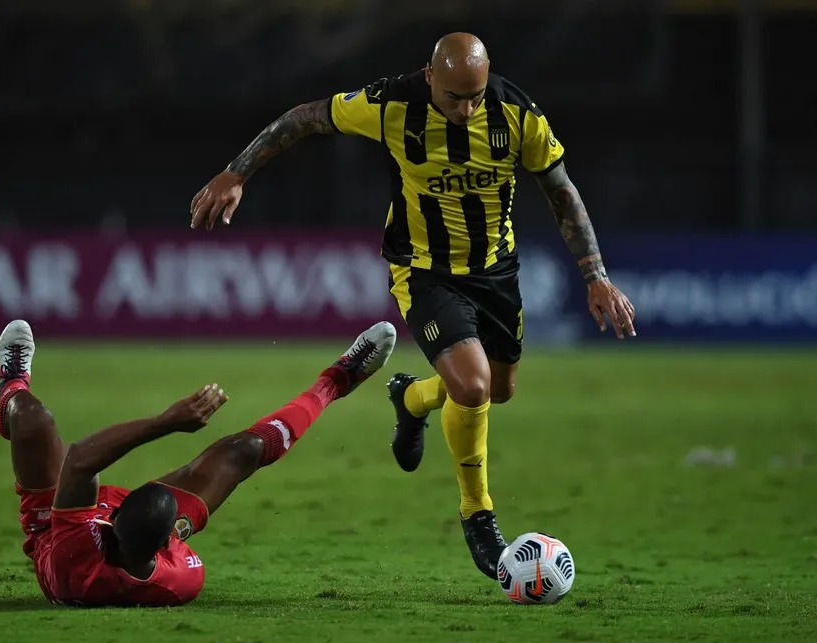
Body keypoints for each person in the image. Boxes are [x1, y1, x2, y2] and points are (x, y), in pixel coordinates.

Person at [189, 33, 636, 581]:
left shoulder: (518, 116)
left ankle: (413, 398)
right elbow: (306, 117)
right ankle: (479, 516)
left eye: (473, 97)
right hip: (423, 269)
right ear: (429, 76)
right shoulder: (392, 105)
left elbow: (561, 190)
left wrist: (596, 275)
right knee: (472, 387)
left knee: (498, 389)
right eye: (453, 97)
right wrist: (237, 171)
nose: (465, 108)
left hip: (496, 271)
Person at [0, 318, 396, 607]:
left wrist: (166, 423)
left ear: (113, 525)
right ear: (167, 542)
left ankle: (11, 383)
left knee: (34, 420)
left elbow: (80, 460)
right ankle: (338, 380)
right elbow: (152, 542)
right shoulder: (180, 578)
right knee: (243, 453)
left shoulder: (74, 554)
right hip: (134, 540)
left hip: (56, 526)